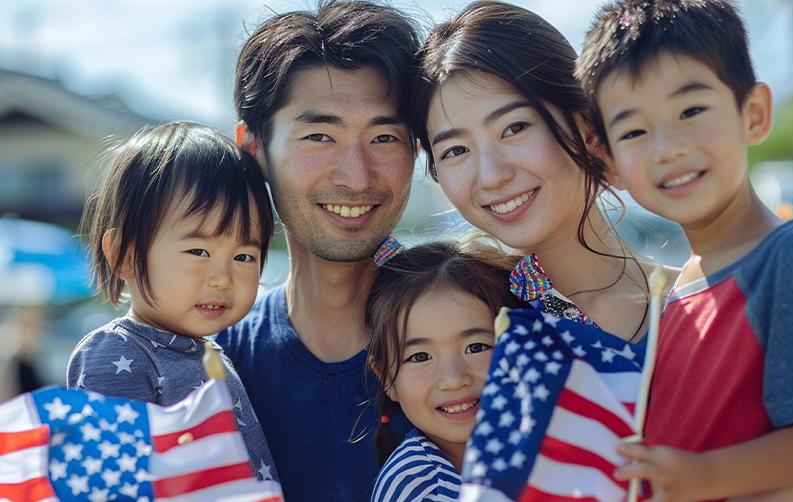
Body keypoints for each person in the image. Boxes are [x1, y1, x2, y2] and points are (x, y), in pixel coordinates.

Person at [576, 0, 793, 499]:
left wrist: (704, 478)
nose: (668, 147)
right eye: (634, 131)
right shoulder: (681, 287)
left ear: (754, 113)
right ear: (610, 164)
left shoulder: (791, 254)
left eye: (692, 110)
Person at [406, 1, 679, 499]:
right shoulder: (478, 337)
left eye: (515, 127)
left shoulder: (703, 298)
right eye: (455, 151)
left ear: (586, 121)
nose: (491, 174)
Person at [215, 2, 420, 500]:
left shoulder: (476, 331)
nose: (356, 176)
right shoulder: (212, 362)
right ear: (253, 148)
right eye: (319, 136)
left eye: (384, 136)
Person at [68, 121, 279, 482]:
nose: (222, 278)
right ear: (126, 255)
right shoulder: (113, 352)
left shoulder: (207, 349)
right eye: (199, 250)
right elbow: (114, 479)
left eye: (244, 256)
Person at [366, 240, 523, 502]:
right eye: (420, 357)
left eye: (476, 347)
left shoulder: (563, 439)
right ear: (385, 377)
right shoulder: (415, 485)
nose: (453, 380)